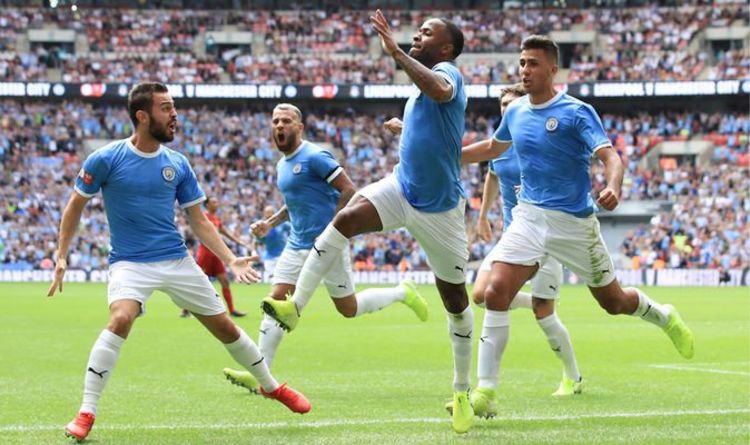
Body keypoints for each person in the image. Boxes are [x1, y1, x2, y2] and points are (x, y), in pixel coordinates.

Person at [48, 82, 310, 442]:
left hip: (176, 261)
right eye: (166, 108)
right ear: (143, 116)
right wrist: (61, 255)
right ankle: (86, 411)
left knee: (226, 329)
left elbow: (198, 220)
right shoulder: (106, 159)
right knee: (121, 317)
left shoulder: (177, 163)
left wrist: (231, 259)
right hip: (130, 263)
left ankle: (270, 386)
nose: (175, 116)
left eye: (174, 108)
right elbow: (74, 205)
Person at [260, 12, 476, 433]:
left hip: (440, 212)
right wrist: (405, 125)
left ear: (447, 48)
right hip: (401, 189)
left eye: (428, 32)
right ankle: (294, 306)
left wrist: (395, 52)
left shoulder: (448, 72)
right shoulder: (418, 95)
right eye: (417, 31)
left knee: (456, 303)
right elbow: (429, 130)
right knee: (344, 219)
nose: (418, 34)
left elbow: (439, 90)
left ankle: (463, 390)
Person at [461, 36, 695, 424]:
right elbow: (491, 148)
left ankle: (663, 315)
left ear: (553, 69)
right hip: (529, 217)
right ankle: (485, 391)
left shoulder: (576, 112)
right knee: (495, 291)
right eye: (522, 63)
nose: (525, 70)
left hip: (574, 224)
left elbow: (609, 156)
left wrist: (613, 186)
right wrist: (448, 154)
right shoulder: (515, 110)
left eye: (534, 63)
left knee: (614, 302)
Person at [222, 103, 428, 391]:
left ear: (299, 127)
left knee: (348, 308)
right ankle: (262, 374)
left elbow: (348, 189)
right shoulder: (282, 163)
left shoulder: (315, 156)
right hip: (296, 244)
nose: (279, 126)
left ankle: (401, 292)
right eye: (275, 121)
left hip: (327, 244)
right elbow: (294, 203)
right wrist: (270, 222)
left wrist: (333, 228)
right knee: (276, 300)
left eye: (286, 121)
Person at [447, 84, 583, 422]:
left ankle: (573, 375)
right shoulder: (504, 142)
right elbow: (493, 175)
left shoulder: (537, 142)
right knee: (480, 294)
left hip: (545, 235)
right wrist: (481, 216)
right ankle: (485, 389)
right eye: (502, 104)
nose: (506, 109)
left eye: (512, 103)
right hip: (513, 236)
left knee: (544, 316)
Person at [180, 196, 253, 318]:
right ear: (207, 204)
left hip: (217, 255)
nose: (216, 204)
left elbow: (225, 233)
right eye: (214, 202)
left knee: (224, 281)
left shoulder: (216, 219)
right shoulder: (203, 217)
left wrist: (239, 242)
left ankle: (232, 310)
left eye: (217, 201)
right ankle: (185, 309)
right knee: (198, 281)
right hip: (205, 254)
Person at [257, 205, 291, 280]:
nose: (269, 214)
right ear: (264, 214)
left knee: (283, 278)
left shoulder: (282, 224)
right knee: (272, 279)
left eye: (271, 212)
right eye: (267, 212)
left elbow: (293, 229)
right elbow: (258, 242)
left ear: (274, 213)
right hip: (269, 257)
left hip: (282, 256)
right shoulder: (261, 227)